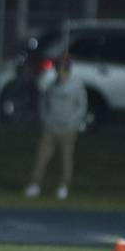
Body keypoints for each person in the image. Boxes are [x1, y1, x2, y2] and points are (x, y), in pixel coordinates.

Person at [24, 55, 87, 200]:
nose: (59, 72)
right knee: (42, 157)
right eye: (57, 69)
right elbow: (43, 104)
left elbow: (81, 106)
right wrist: (46, 120)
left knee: (66, 159)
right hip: (50, 129)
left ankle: (63, 186)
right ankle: (35, 184)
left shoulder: (76, 86)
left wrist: (73, 122)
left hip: (67, 130)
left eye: (62, 69)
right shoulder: (52, 86)